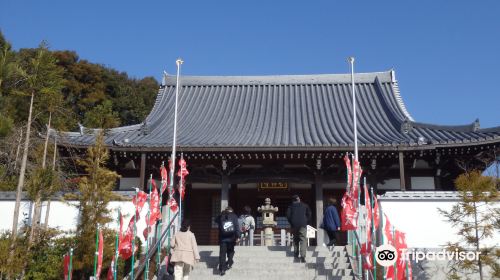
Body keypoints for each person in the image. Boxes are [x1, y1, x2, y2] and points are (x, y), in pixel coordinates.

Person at [215, 206, 241, 276]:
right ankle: (229, 262)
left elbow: (215, 220)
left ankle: (222, 269)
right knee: (231, 251)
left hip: (222, 238)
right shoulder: (234, 216)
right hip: (231, 238)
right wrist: (238, 236)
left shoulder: (221, 216)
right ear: (231, 210)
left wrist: (221, 214)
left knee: (222, 254)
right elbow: (236, 226)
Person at [286, 194, 311, 263]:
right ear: (299, 199)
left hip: (294, 225)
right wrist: (306, 221)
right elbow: (309, 214)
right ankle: (303, 256)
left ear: (293, 200)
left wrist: (291, 222)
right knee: (303, 239)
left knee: (296, 239)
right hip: (303, 224)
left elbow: (288, 216)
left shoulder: (290, 206)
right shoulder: (305, 205)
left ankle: (296, 254)